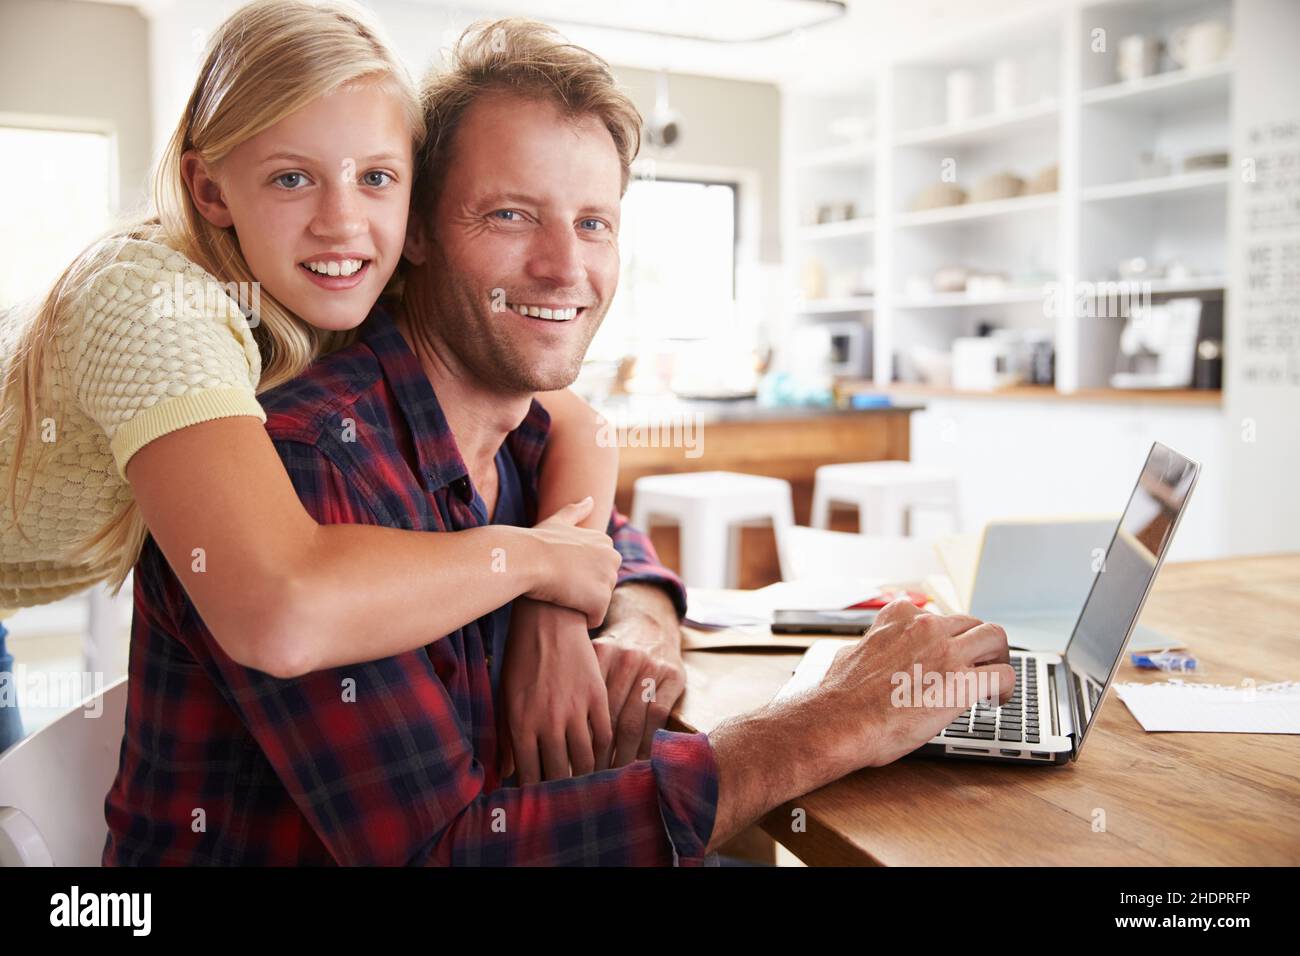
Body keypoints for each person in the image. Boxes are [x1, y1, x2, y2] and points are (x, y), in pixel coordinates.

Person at [104, 17, 1014, 866]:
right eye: (509, 215)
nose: (564, 268)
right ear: (416, 229)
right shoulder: (314, 462)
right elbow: (447, 853)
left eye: (593, 223)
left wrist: (618, 621)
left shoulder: (525, 429)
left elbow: (615, 545)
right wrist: (833, 721)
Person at [0, 0, 641, 774]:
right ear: (209, 190)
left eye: (376, 176)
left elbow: (576, 425)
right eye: (292, 177)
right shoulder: (153, 306)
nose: (343, 222)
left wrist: (553, 612)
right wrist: (534, 562)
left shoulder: (349, 275)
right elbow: (279, 611)